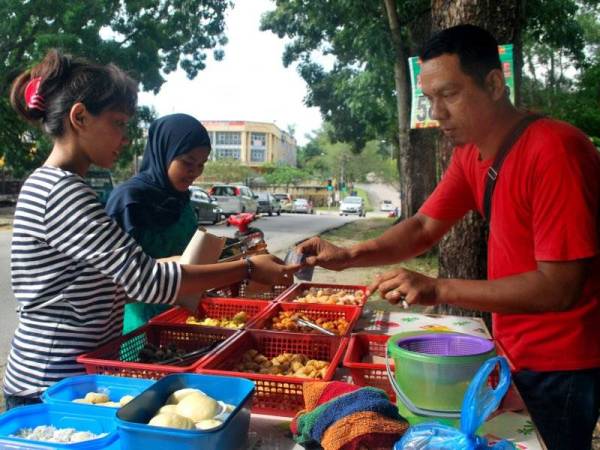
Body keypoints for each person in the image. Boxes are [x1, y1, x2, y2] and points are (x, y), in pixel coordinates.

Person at [298, 25, 600, 450]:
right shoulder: (472, 153)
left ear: (494, 84)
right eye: (430, 98)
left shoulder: (555, 152)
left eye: (450, 94)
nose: (436, 112)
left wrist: (437, 286)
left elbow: (560, 288)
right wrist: (348, 254)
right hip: (512, 348)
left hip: (562, 364)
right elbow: (423, 227)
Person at [5, 49, 295, 410]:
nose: (125, 138)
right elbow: (146, 282)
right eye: (118, 123)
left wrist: (216, 261)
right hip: (48, 384)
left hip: (69, 378)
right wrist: (248, 268)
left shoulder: (58, 185)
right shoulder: (60, 191)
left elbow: (118, 273)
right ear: (79, 117)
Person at [106, 113, 212, 334]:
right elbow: (113, 276)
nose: (195, 172)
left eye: (201, 165)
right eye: (187, 162)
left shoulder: (182, 201)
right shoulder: (128, 200)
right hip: (136, 324)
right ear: (164, 153)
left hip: (182, 315)